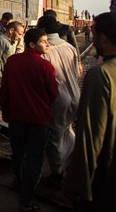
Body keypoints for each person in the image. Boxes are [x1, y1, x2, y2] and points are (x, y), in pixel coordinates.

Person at [64, 12, 116, 211]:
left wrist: (78, 184)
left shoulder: (101, 74)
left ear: (103, 37)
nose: (93, 38)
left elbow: (90, 136)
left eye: (94, 34)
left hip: (112, 176)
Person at [0, 28, 58, 212]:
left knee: (17, 152)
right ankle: (26, 199)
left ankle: (19, 179)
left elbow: (5, 91)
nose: (47, 44)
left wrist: (6, 112)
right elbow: (54, 94)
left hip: (16, 118)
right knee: (34, 157)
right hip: (39, 120)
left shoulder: (12, 62)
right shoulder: (45, 67)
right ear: (32, 44)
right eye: (43, 41)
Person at [36, 15, 81, 189]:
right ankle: (69, 160)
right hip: (75, 94)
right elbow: (76, 71)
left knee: (54, 137)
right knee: (67, 129)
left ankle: (56, 174)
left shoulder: (45, 52)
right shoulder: (70, 47)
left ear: (43, 31)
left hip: (58, 99)